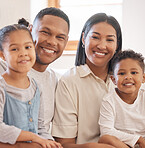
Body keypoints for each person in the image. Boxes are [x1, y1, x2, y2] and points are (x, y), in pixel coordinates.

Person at [52, 13, 122, 148]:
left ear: (117, 44)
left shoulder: (128, 79)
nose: (102, 46)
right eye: (95, 37)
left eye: (109, 40)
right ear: (83, 39)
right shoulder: (69, 82)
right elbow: (64, 144)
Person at [0, 6, 69, 143]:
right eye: (45, 32)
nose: (52, 41)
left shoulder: (52, 81)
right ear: (30, 30)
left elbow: (42, 128)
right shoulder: (4, 70)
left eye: (60, 37)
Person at [98, 50, 145, 148]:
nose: (128, 77)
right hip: (122, 144)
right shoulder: (109, 100)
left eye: (134, 72)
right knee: (105, 138)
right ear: (114, 80)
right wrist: (137, 139)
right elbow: (106, 130)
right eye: (122, 73)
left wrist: (142, 141)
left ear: (143, 78)